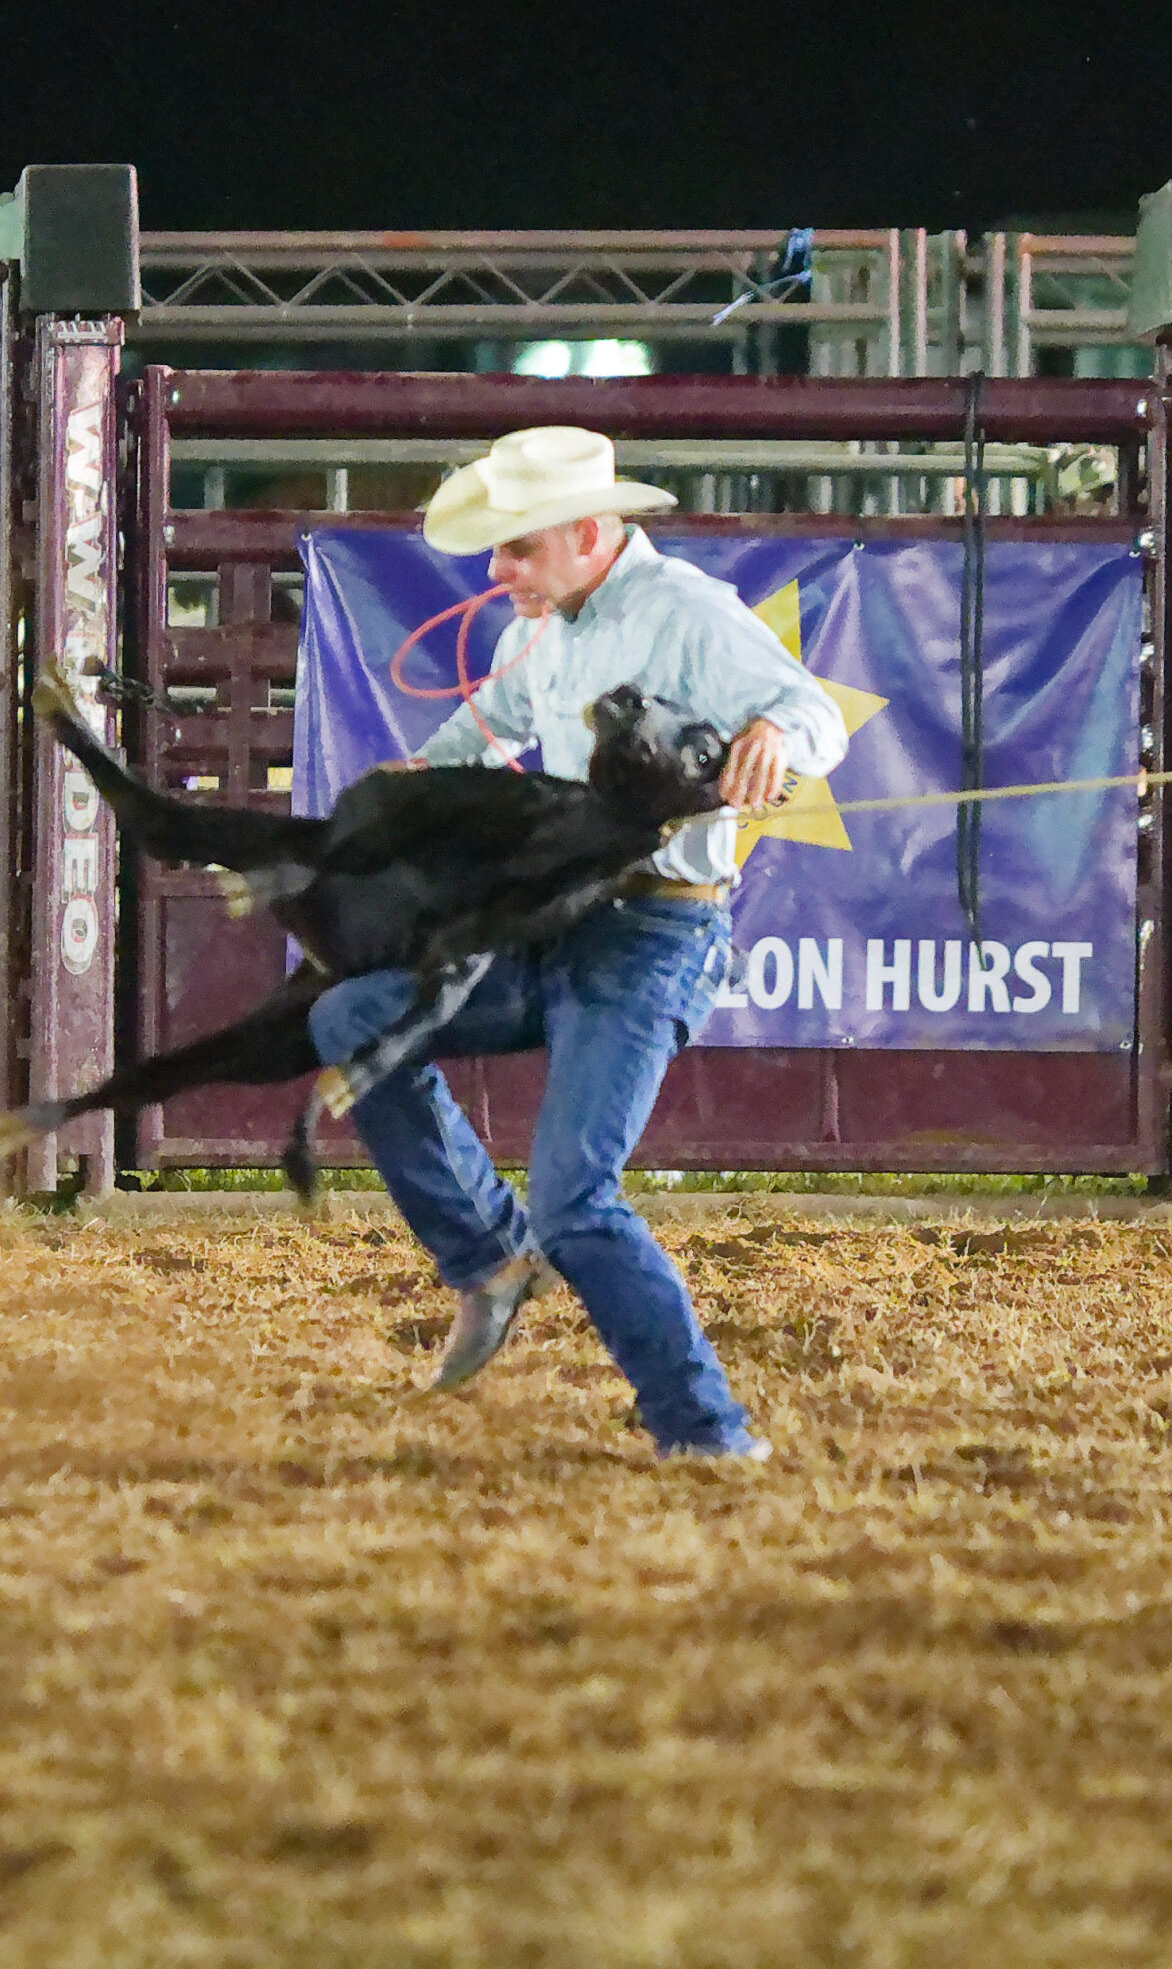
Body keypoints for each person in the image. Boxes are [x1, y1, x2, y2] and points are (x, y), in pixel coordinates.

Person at [308, 424, 849, 1463]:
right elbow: (484, 726)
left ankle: (705, 1432)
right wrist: (421, 784)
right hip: (559, 923)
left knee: (574, 1199)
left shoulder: (691, 612)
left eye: (518, 547)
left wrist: (774, 736)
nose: (497, 568)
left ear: (593, 533)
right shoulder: (537, 632)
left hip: (655, 932)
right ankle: (490, 1257)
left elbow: (811, 715)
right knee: (353, 1015)